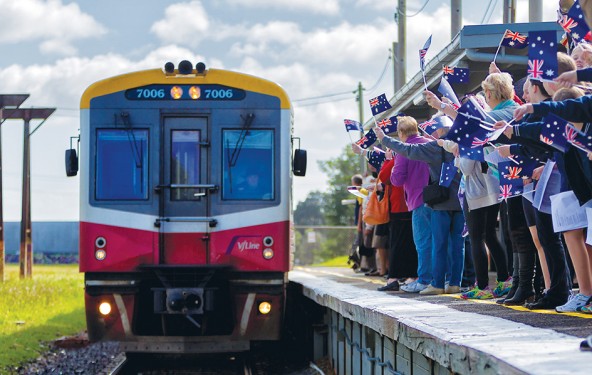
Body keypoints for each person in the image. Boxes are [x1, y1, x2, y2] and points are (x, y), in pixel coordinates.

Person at [370, 123, 464, 296]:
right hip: (460, 198)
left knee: (431, 243)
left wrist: (384, 140)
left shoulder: (429, 146)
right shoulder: (461, 143)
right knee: (456, 244)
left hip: (433, 200)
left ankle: (431, 282)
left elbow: (398, 174)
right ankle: (453, 281)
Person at [389, 116, 432, 293]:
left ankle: (424, 280)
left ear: (401, 133)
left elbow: (397, 180)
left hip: (418, 199)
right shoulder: (431, 143)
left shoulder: (404, 151)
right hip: (439, 199)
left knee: (422, 242)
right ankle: (440, 279)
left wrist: (392, 166)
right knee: (439, 240)